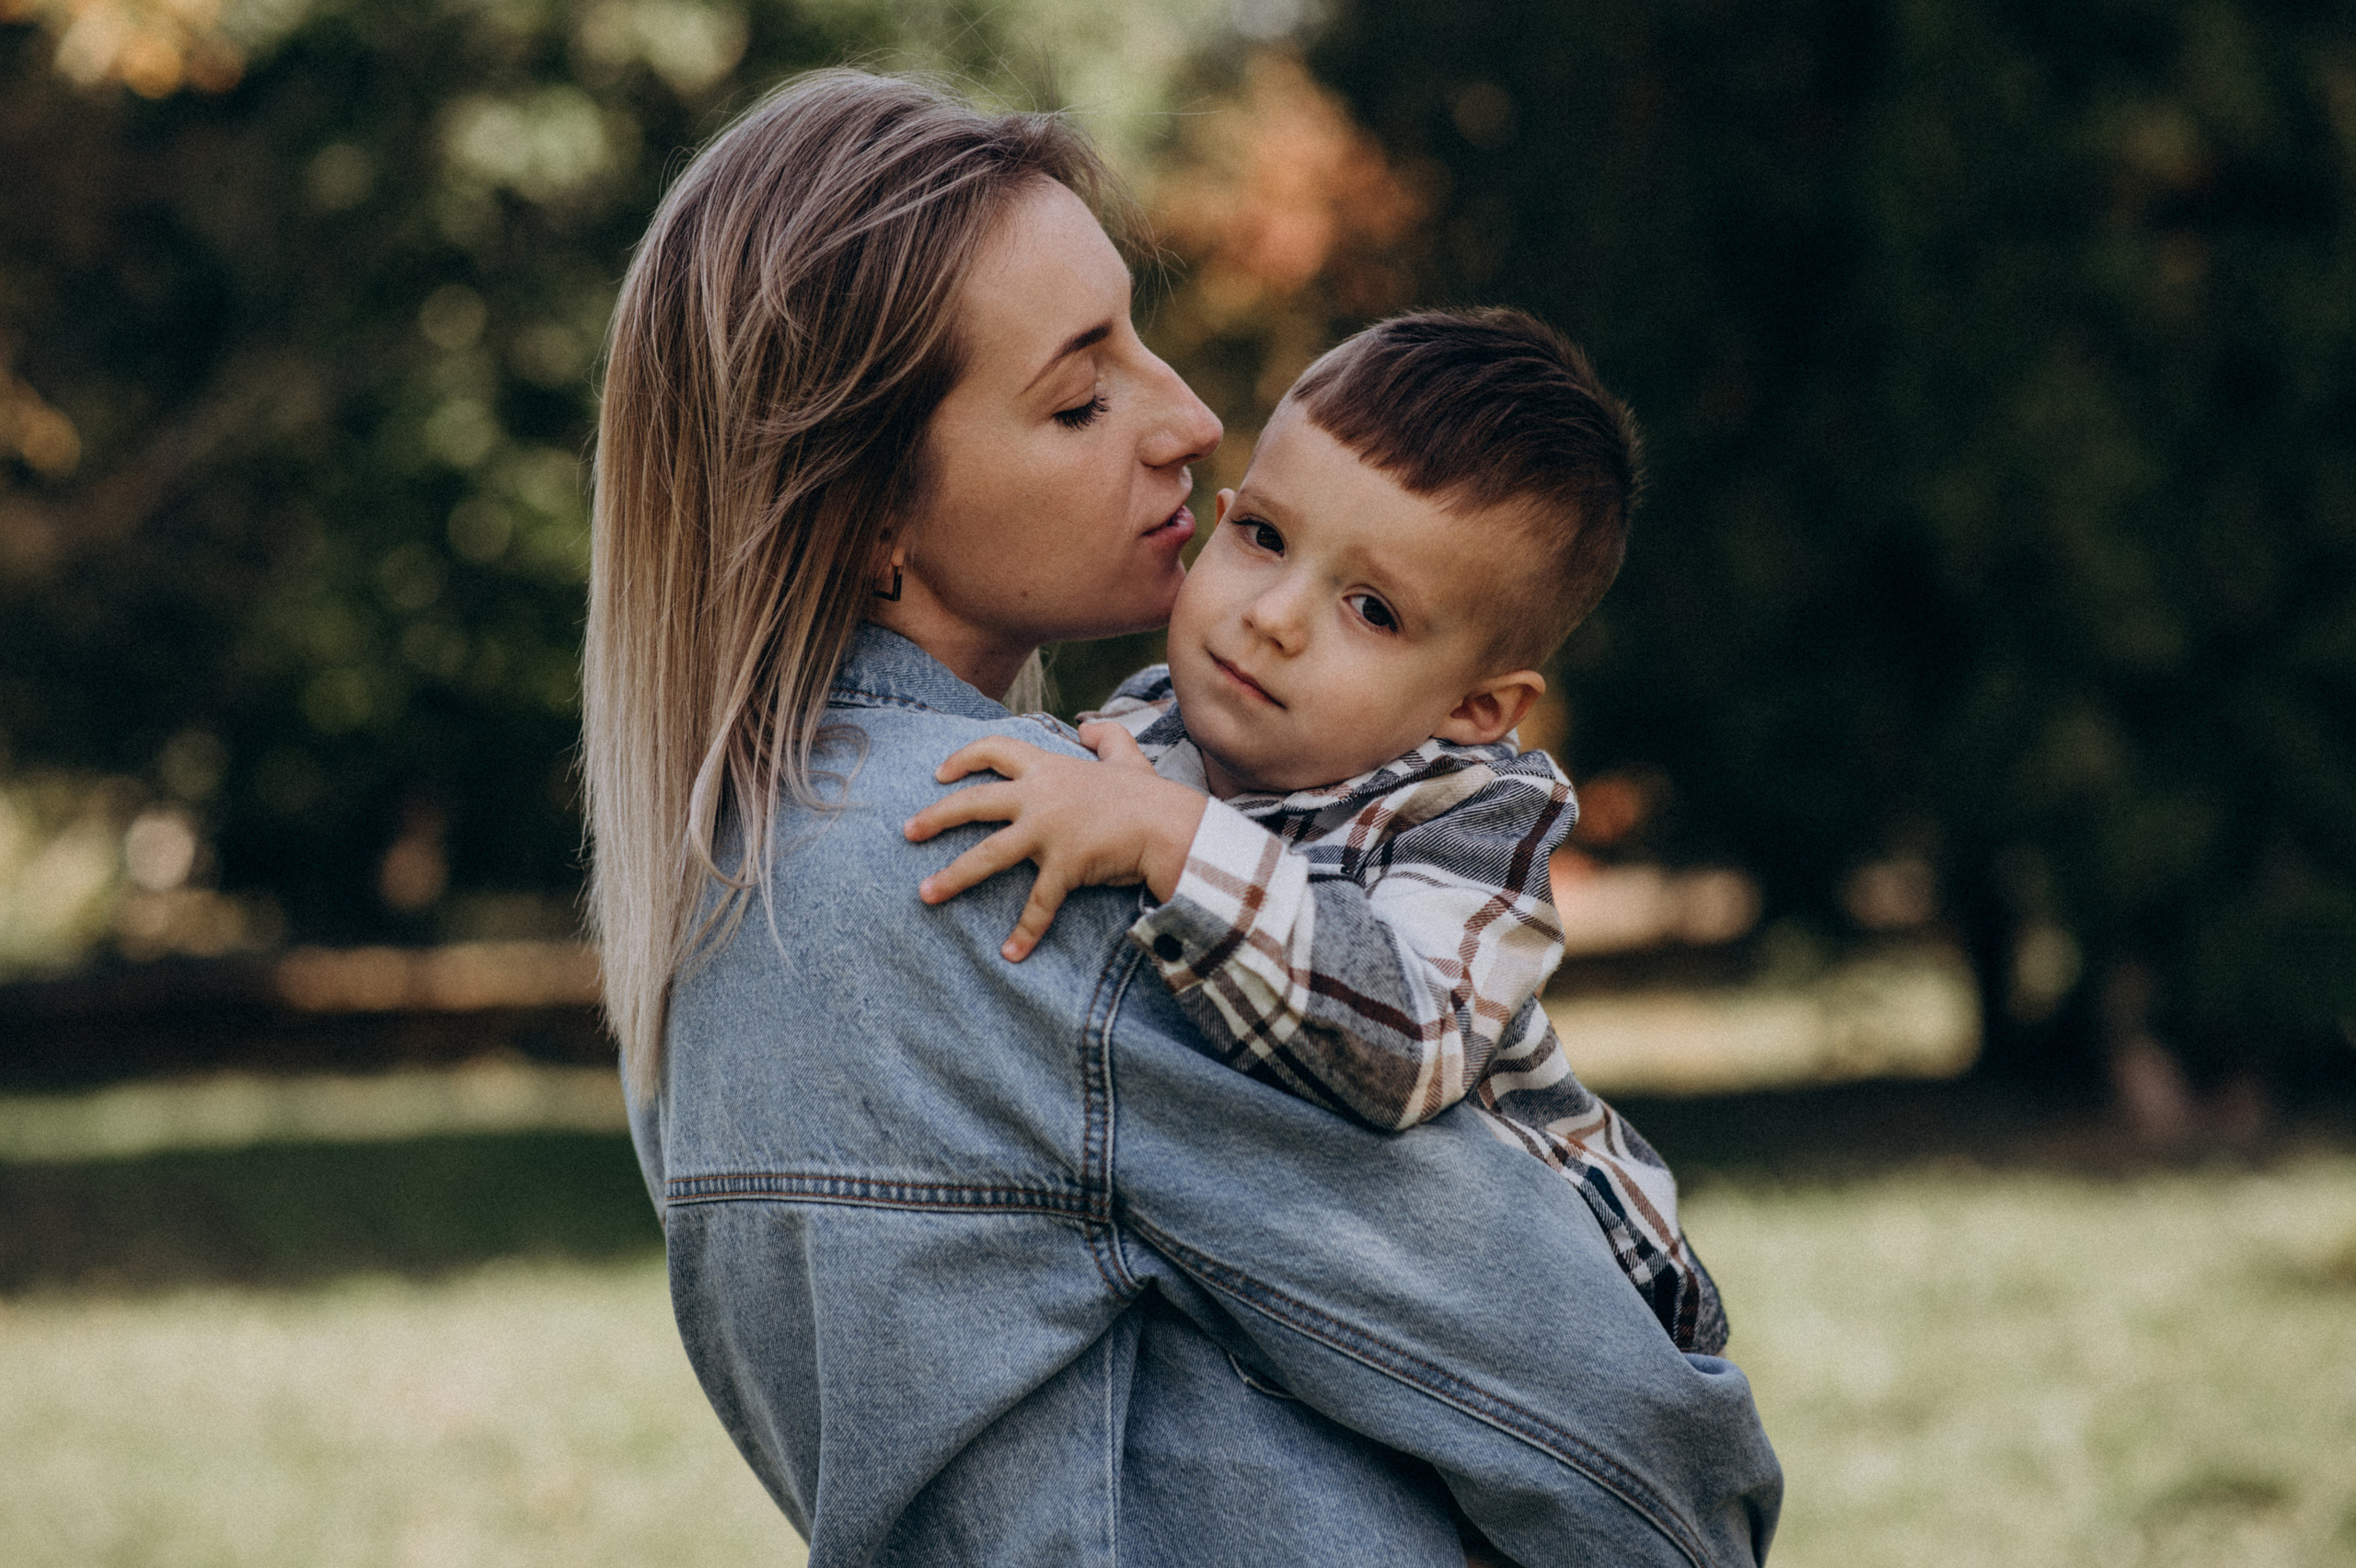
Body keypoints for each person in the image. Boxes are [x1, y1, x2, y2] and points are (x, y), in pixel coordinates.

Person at [585, 67, 1780, 1567]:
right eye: (1082, 394)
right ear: (865, 516)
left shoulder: (740, 862)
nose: (1196, 423)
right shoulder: (1005, 848)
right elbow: (1602, 1415)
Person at [906, 308, 1727, 1355]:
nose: (1273, 616)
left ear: (1476, 707)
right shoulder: (1133, 735)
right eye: (1263, 538)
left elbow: (1411, 1046)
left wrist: (1171, 840)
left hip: (1585, 1319)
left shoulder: (1470, 820)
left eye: (1372, 610)